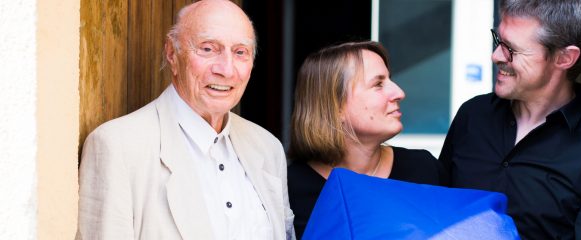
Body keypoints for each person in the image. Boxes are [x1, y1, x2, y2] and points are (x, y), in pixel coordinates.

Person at [77, 0, 295, 239]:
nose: (226, 69)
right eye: (208, 49)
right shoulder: (117, 146)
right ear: (172, 53)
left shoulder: (268, 148)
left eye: (240, 52)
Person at [439, 0, 581, 239]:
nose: (496, 55)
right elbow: (435, 214)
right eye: (498, 40)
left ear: (564, 58)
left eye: (512, 49)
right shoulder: (472, 116)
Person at [287, 41, 448, 238]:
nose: (399, 93)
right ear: (335, 106)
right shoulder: (289, 190)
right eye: (378, 84)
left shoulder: (423, 169)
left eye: (390, 79)